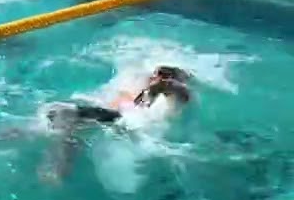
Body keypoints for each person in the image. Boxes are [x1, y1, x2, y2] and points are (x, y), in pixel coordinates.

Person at [38, 66, 193, 184]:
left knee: (63, 113)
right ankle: (59, 168)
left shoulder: (172, 96)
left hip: (126, 121)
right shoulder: (141, 93)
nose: (152, 77)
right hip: (120, 120)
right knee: (70, 127)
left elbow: (176, 90)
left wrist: (160, 85)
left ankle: (58, 169)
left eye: (157, 75)